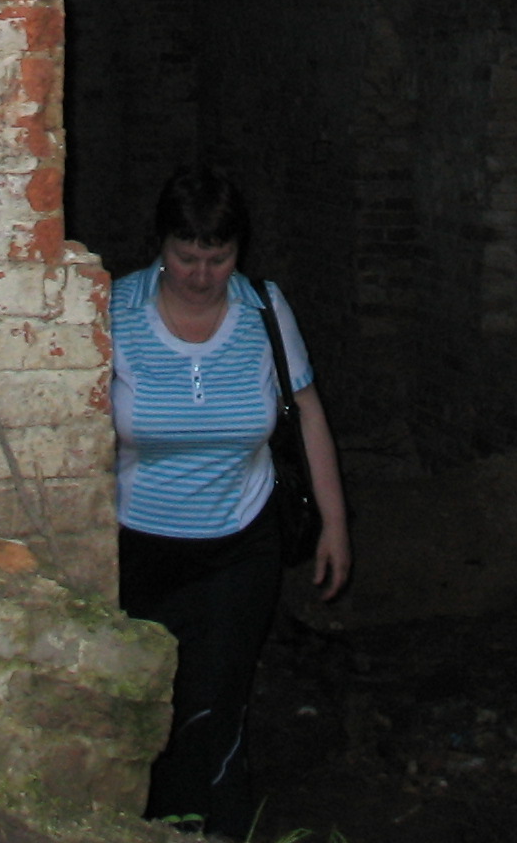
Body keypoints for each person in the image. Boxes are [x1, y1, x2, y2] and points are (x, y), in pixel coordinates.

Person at [109, 164, 350, 833]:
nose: (201, 273)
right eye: (187, 256)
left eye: (218, 257)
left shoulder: (262, 310)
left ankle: (213, 828)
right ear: (162, 246)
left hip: (240, 546)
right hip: (138, 547)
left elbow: (307, 411)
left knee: (215, 703)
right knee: (144, 702)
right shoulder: (114, 311)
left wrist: (335, 523)